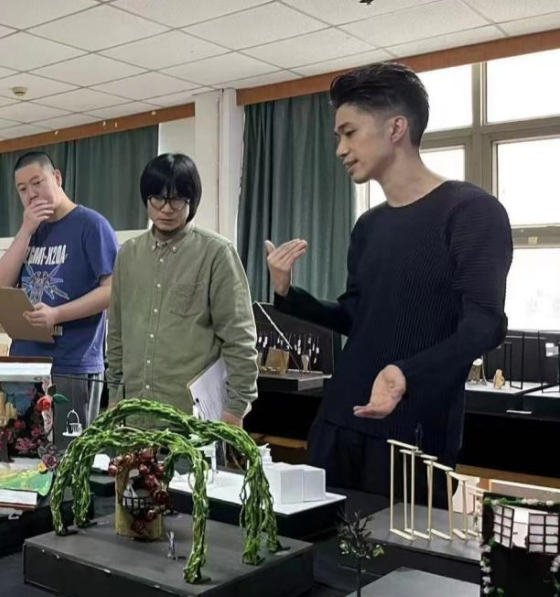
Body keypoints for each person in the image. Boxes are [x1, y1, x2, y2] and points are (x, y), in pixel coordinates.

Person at [266, 63, 512, 495]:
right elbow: (355, 317)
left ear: (396, 127)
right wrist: (287, 293)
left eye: (349, 133)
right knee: (317, 536)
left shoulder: (471, 212)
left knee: (398, 540)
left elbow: (484, 325)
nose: (340, 149)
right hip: (337, 421)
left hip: (413, 433)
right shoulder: (369, 225)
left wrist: (405, 374)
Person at [107, 153, 257, 425]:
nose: (167, 209)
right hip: (134, 417)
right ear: (146, 199)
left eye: (177, 199)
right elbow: (117, 336)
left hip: (193, 421)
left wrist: (236, 409)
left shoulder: (216, 254)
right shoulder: (127, 255)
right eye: (158, 198)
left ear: (192, 201)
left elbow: (239, 338)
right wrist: (115, 398)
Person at [0, 152, 118, 422]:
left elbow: (112, 290)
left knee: (69, 444)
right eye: (22, 189)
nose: (31, 194)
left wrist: (57, 314)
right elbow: (1, 284)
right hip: (25, 360)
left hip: (72, 362)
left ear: (57, 178)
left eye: (37, 183)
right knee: (22, 444)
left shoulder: (91, 225)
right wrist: (26, 230)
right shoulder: (31, 230)